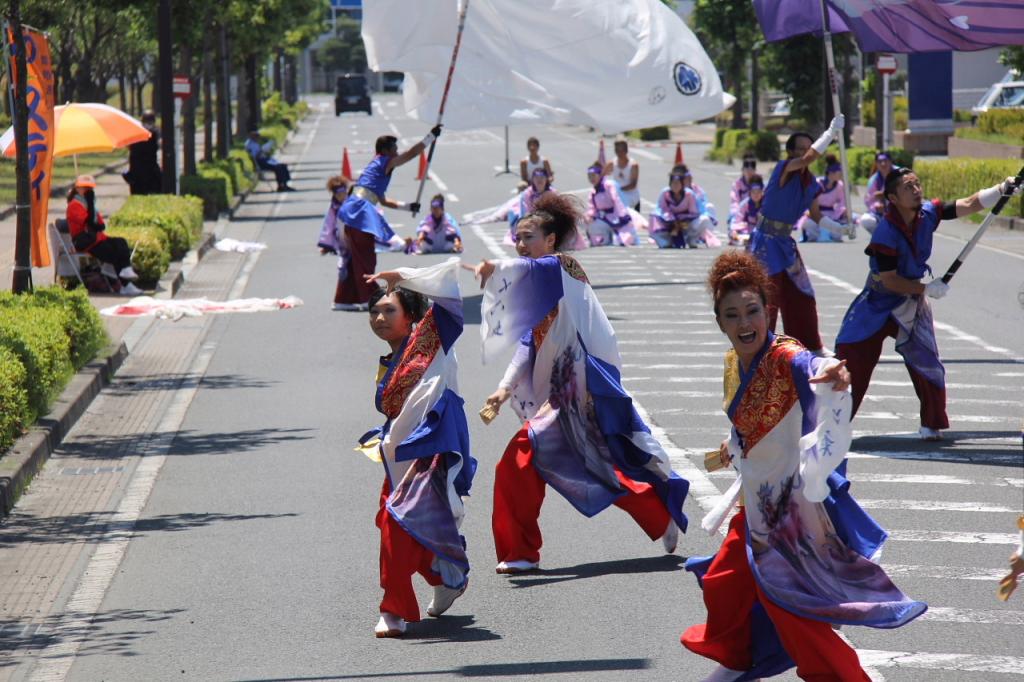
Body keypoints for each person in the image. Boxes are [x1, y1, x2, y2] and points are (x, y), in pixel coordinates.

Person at [682, 251, 926, 682]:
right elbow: (750, 425)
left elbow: (808, 363)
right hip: (755, 502)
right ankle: (745, 660)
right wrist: (733, 445)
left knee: (788, 604)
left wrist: (830, 369)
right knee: (725, 583)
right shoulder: (732, 364)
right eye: (732, 315)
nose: (744, 323)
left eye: (753, 311)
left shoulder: (784, 355)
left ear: (768, 311)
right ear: (720, 322)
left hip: (788, 513)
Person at [473, 192, 690, 574]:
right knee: (598, 467)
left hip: (578, 390)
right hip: (560, 392)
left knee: (519, 460)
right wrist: (505, 387)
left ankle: (521, 552)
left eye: (529, 237)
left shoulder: (563, 268)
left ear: (552, 240)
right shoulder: (536, 283)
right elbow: (530, 340)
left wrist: (497, 267)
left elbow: (533, 273)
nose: (521, 244)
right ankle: (659, 515)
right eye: (518, 238)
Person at [835, 169, 1022, 441]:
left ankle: (931, 423)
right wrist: (926, 288)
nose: (916, 189)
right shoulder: (886, 231)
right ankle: (833, 422)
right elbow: (889, 281)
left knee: (927, 361)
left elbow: (968, 204)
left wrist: (1001, 188)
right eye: (908, 187)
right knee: (851, 357)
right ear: (893, 198)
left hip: (910, 301)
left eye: (916, 184)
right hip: (877, 301)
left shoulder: (927, 214)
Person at [358, 259, 476, 638]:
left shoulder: (433, 337)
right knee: (407, 523)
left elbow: (451, 294)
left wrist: (403, 276)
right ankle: (445, 573)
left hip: (432, 449)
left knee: (397, 522)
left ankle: (394, 611)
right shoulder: (389, 360)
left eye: (388, 309)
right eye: (374, 311)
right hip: (398, 455)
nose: (379, 317)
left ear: (411, 315)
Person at [746, 117, 845, 356]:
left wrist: (839, 228)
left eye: (807, 148)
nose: (804, 153)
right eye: (799, 149)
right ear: (790, 152)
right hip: (765, 241)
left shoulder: (810, 182)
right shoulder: (784, 168)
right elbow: (808, 158)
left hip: (785, 243)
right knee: (766, 297)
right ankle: (759, 348)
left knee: (801, 294)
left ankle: (810, 346)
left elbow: (817, 216)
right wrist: (830, 133)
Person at [333, 128, 441, 311]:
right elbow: (411, 154)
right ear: (385, 151)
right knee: (365, 256)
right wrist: (430, 137)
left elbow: (382, 201)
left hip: (354, 211)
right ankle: (371, 298)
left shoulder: (376, 167)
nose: (397, 153)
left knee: (358, 256)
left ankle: (345, 299)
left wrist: (408, 206)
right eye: (394, 150)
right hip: (359, 212)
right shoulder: (384, 162)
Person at [65, 175, 142, 296]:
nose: (88, 191)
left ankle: (126, 272)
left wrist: (92, 210)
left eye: (90, 188)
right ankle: (125, 284)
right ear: (77, 188)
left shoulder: (88, 204)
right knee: (113, 252)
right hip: (86, 242)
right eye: (84, 188)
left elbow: (100, 225)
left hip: (96, 238)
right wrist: (90, 206)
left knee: (120, 242)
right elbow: (90, 223)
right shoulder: (74, 205)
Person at [797, 154, 857, 242]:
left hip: (831, 214)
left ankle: (824, 234)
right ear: (831, 173)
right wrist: (808, 210)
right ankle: (820, 235)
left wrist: (841, 212)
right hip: (816, 214)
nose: (841, 175)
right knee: (808, 224)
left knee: (838, 228)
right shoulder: (817, 183)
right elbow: (807, 199)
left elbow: (843, 202)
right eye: (839, 173)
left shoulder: (839, 185)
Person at [584, 163, 638, 246]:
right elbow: (592, 208)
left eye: (593, 175)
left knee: (623, 240)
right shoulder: (593, 192)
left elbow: (616, 200)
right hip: (602, 218)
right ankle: (605, 237)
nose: (591, 179)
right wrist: (589, 217)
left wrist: (622, 215)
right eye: (589, 176)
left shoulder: (608, 186)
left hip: (615, 216)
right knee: (596, 239)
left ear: (599, 175)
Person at [649, 166, 700, 249]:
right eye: (673, 183)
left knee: (699, 221)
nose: (675, 186)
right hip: (669, 221)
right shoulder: (665, 193)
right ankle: (664, 241)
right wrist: (672, 220)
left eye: (678, 183)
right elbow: (661, 209)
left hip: (685, 222)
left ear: (682, 184)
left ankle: (692, 240)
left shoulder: (689, 194)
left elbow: (694, 212)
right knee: (653, 217)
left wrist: (682, 219)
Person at [505, 168, 556, 244]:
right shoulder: (528, 193)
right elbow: (525, 210)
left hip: (548, 221)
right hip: (531, 220)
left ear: (546, 179)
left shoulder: (552, 193)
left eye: (542, 177)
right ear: (532, 180)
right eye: (536, 178)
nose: (539, 180)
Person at [858, 151, 897, 235]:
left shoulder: (900, 174)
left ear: (890, 161)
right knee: (865, 220)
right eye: (880, 162)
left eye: (885, 161)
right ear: (876, 164)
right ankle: (879, 236)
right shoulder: (874, 179)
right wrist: (876, 206)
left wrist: (886, 196)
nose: (883, 164)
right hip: (882, 214)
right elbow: (868, 200)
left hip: (900, 211)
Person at [682, 167, 721, 247]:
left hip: (695, 215)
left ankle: (705, 234)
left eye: (690, 178)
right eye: (686, 178)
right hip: (682, 218)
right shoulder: (677, 191)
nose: (688, 180)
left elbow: (703, 204)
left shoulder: (696, 189)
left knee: (709, 207)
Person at [125, 110, 162, 195]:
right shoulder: (155, 131)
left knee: (136, 194)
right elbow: (160, 143)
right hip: (150, 171)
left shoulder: (135, 131)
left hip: (135, 173)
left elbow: (127, 145)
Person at [728, 175, 764, 247]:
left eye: (758, 192)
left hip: (762, 232)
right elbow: (738, 219)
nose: (756, 195)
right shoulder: (745, 204)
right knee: (734, 235)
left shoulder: (766, 205)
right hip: (747, 231)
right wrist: (734, 230)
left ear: (762, 192)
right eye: (754, 192)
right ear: (750, 193)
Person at [606, 140, 640, 211]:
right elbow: (601, 175)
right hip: (617, 194)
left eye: (621, 150)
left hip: (630, 195)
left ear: (626, 150)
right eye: (617, 150)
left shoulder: (633, 165)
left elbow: (633, 185)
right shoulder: (612, 163)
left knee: (621, 204)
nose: (619, 153)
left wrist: (618, 190)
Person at [727, 154, 758, 228]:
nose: (749, 172)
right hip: (739, 214)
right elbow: (734, 202)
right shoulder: (737, 184)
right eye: (747, 169)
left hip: (755, 214)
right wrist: (736, 215)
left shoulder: (759, 184)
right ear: (742, 170)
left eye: (752, 169)